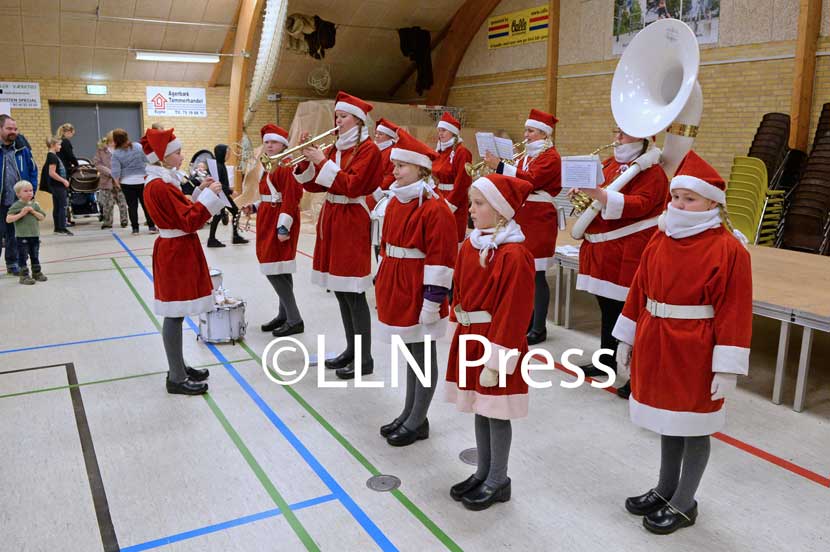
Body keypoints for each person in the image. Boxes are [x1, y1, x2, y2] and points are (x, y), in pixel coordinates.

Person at [612, 150, 752, 535]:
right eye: (676, 197)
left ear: (712, 201)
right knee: (667, 421)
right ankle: (664, 488)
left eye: (689, 198)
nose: (679, 204)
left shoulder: (729, 249)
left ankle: (685, 502)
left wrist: (726, 366)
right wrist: (627, 335)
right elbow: (639, 288)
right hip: (657, 339)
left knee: (693, 426)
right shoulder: (661, 236)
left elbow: (735, 310)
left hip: (695, 348)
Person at [445, 173, 535, 511]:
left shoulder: (513, 254)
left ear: (500, 210)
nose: (470, 210)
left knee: (497, 414)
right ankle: (483, 472)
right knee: (480, 410)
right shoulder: (473, 244)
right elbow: (460, 289)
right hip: (471, 339)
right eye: (472, 202)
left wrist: (497, 361)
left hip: (497, 343)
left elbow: (514, 312)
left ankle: (499, 480)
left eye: (479, 204)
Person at [570, 128, 667, 398]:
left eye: (624, 135)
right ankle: (607, 361)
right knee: (608, 308)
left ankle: (637, 375)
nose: (617, 139)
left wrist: (599, 195)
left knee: (632, 314)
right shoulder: (611, 164)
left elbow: (642, 204)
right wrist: (583, 194)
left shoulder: (653, 172)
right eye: (616, 132)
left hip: (629, 250)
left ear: (643, 139)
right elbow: (598, 195)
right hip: (605, 250)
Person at [293, 91, 383, 380]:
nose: (338, 120)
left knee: (354, 293)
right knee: (341, 293)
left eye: (342, 116)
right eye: (337, 116)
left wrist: (323, 161)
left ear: (357, 120)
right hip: (333, 218)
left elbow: (353, 186)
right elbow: (316, 187)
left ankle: (364, 357)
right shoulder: (336, 147)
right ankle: (351, 350)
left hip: (352, 220)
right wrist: (307, 160)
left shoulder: (369, 150)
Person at [375, 130, 456, 446]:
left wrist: (432, 301)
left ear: (422, 169)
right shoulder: (396, 200)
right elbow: (385, 245)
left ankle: (418, 418)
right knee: (410, 353)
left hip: (419, 287)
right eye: (394, 166)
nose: (394, 172)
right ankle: (409, 412)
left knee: (422, 356)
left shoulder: (434, 208)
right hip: (397, 282)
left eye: (401, 166)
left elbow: (442, 258)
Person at [140, 128, 225, 395]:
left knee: (175, 314)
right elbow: (188, 220)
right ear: (163, 158)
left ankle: (179, 366)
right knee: (174, 315)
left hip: (176, 247)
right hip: (175, 250)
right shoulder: (160, 186)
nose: (181, 155)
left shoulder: (162, 181)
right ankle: (176, 377)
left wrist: (199, 192)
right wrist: (210, 196)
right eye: (177, 152)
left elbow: (182, 212)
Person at [484, 109, 562, 345]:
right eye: (526, 130)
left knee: (537, 274)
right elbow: (514, 179)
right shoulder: (523, 156)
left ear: (544, 134)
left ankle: (539, 327)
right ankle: (526, 321)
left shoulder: (551, 157)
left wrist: (500, 166)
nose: (525, 135)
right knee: (523, 273)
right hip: (523, 218)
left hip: (539, 221)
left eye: (531, 131)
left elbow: (531, 180)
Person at [251, 124, 304, 337]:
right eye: (266, 142)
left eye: (273, 142)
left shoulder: (286, 165)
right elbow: (269, 192)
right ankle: (284, 314)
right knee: (280, 268)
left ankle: (294, 319)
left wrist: (284, 226)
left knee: (273, 267)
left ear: (283, 144)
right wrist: (255, 206)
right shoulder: (270, 164)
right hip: (268, 215)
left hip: (279, 218)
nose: (269, 145)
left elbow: (291, 197)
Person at [1, 114, 38, 275]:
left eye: (15, 129)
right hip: (1, 201)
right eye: (9, 128)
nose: (13, 131)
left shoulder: (23, 148)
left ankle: (12, 263)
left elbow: (33, 170)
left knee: (14, 235)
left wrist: (31, 192)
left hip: (17, 202)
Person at [432, 112, 473, 244]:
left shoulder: (462, 152)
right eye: (439, 130)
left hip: (454, 199)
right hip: (439, 196)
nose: (440, 134)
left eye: (444, 130)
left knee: (451, 239)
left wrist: (450, 204)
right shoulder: (440, 151)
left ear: (453, 132)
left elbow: (463, 182)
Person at [112, 128, 157, 235]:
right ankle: (151, 227)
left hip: (127, 183)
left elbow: (115, 170)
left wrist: (117, 182)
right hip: (142, 180)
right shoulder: (137, 146)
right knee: (146, 205)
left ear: (115, 140)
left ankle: (135, 229)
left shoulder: (116, 153)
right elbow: (147, 159)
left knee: (132, 206)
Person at [368, 117, 400, 259]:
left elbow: (391, 175)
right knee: (373, 234)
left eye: (380, 134)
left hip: (383, 195)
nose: (376, 136)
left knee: (380, 233)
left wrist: (374, 187)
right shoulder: (376, 149)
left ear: (389, 136)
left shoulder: (392, 152)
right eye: (376, 133)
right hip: (372, 192)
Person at [5, 180, 47, 284]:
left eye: (31, 190)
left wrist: (33, 212)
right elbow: (8, 219)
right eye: (26, 191)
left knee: (35, 254)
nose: (29, 193)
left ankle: (37, 272)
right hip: (22, 236)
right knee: (23, 256)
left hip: (34, 235)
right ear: (18, 194)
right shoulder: (16, 206)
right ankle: (24, 276)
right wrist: (21, 214)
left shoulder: (35, 205)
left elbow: (42, 217)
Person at [207, 144, 248, 247]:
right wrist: (230, 192)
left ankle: (233, 236)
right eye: (227, 152)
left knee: (230, 213)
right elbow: (218, 183)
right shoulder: (218, 166)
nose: (229, 154)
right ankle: (213, 239)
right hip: (220, 195)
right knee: (226, 214)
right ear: (222, 153)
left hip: (223, 194)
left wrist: (228, 189)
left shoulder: (220, 164)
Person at [94, 133, 129, 230]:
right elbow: (97, 164)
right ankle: (107, 222)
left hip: (120, 180)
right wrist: (110, 172)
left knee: (122, 202)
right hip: (107, 181)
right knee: (107, 203)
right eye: (113, 141)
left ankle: (124, 221)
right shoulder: (101, 151)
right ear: (109, 141)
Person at [43, 137, 73, 236]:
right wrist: (63, 180)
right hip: (58, 186)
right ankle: (61, 228)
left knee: (58, 206)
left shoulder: (53, 155)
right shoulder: (52, 157)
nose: (60, 147)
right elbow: (51, 173)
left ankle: (58, 228)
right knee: (61, 207)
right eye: (59, 145)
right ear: (53, 145)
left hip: (56, 186)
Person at [56, 123, 79, 226]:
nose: (71, 136)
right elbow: (70, 156)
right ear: (68, 132)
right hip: (64, 170)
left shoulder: (58, 141)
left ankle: (62, 220)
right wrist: (77, 164)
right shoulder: (65, 141)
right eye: (72, 134)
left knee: (60, 198)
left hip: (59, 169)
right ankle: (64, 220)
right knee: (64, 197)